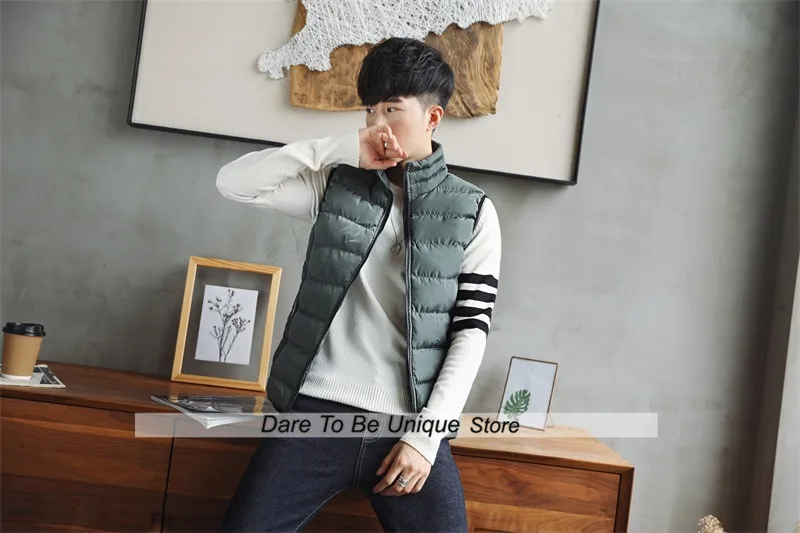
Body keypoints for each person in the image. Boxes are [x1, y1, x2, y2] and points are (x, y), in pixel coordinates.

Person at [215, 36, 501, 532]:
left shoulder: (473, 210)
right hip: (316, 412)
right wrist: (337, 148)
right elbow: (233, 183)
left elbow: (470, 333)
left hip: (408, 425)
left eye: (392, 108)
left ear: (432, 118)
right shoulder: (336, 185)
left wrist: (425, 439)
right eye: (369, 110)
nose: (376, 123)